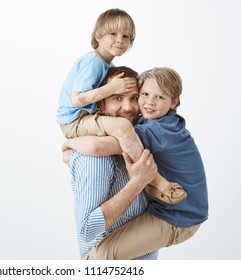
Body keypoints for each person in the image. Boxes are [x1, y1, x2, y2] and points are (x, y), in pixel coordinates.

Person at [64, 67, 208, 259]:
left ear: (174, 102)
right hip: (168, 209)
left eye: (160, 97)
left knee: (100, 257)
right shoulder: (154, 121)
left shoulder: (159, 130)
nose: (149, 102)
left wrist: (67, 144)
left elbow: (97, 146)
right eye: (145, 94)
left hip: (178, 218)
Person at [57, 8, 185, 204]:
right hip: (75, 120)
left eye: (126, 36)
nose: (120, 40)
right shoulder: (93, 62)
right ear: (98, 35)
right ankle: (156, 180)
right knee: (123, 127)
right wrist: (111, 88)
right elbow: (77, 99)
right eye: (113, 34)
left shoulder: (107, 66)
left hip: (84, 119)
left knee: (125, 134)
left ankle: (144, 181)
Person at [66, 66, 159, 259]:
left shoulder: (142, 137)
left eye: (134, 98)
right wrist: (137, 183)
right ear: (100, 104)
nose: (127, 107)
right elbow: (87, 230)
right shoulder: (93, 159)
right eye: (117, 98)